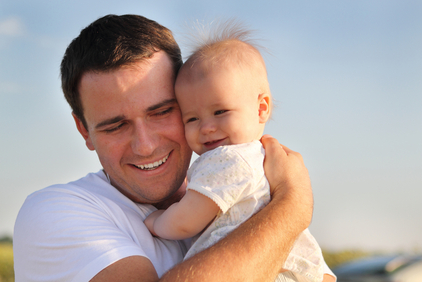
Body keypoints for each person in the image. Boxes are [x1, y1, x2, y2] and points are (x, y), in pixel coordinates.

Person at [14, 14, 321, 282]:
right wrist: (294, 204)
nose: (145, 146)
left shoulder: (230, 194)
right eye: (115, 126)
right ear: (84, 131)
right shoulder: (54, 213)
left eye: (162, 112)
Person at [144, 22, 335, 282]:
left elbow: (186, 220)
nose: (207, 128)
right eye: (191, 119)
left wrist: (156, 221)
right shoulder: (268, 163)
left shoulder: (228, 160)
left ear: (261, 108)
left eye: (220, 111)